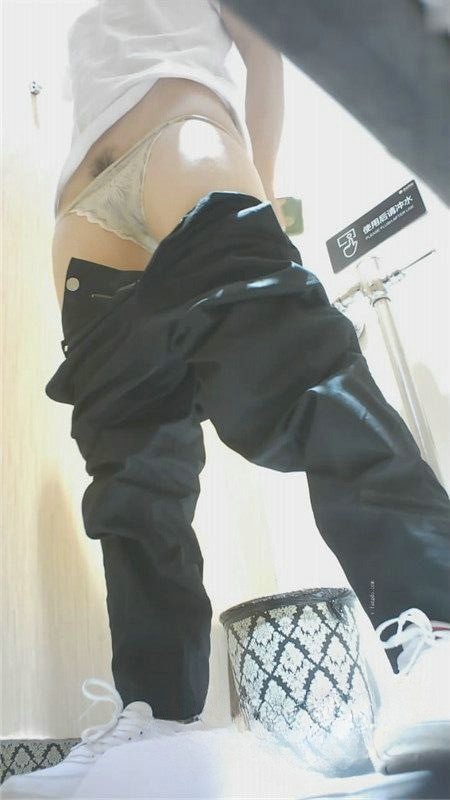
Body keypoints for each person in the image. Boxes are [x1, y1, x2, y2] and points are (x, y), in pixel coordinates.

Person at [2, 1, 449, 797]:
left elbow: (266, 60)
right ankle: (157, 721)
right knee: (131, 480)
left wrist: (263, 191)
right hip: (82, 217)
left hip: (183, 145)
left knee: (302, 376)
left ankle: (436, 628)